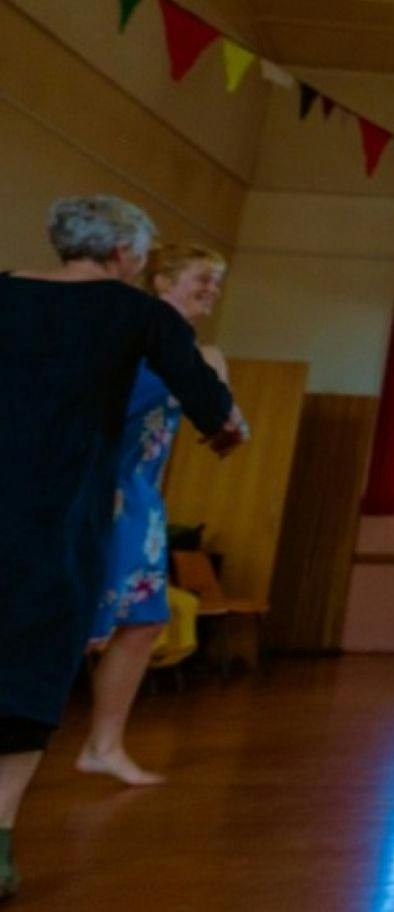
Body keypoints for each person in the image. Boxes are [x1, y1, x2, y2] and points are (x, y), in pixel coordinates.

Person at [1, 196, 243, 901]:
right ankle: (1, 838)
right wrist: (227, 428)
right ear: (127, 257)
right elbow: (217, 419)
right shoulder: (140, 316)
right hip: (62, 511)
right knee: (30, 670)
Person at [77, 244, 233, 788]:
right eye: (202, 278)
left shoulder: (190, 349)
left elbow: (224, 436)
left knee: (143, 622)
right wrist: (99, 483)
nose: (211, 290)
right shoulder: (134, 340)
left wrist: (218, 389)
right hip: (103, 489)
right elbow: (91, 412)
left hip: (141, 494)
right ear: (162, 280)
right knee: (79, 624)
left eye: (216, 282)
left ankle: (104, 744)